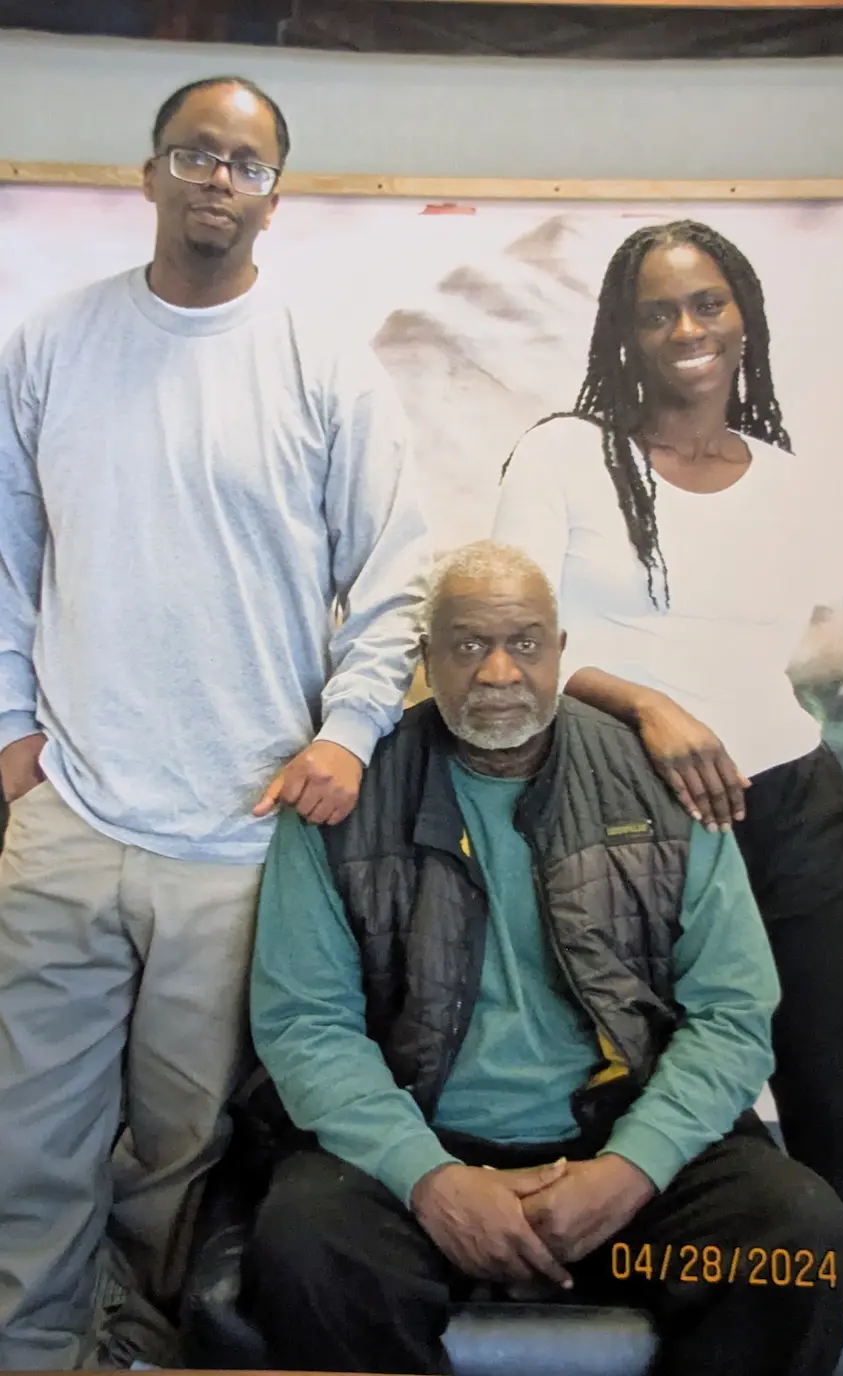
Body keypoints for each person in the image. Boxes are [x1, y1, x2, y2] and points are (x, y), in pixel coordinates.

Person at [0, 75, 428, 1369]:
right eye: (194, 154)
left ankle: (129, 1343)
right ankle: (28, 1345)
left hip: (238, 841)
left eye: (245, 164)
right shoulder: (52, 344)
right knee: (29, 1128)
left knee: (177, 1146)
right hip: (68, 810)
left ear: (273, 196)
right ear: (147, 176)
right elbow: (4, 558)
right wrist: (12, 732)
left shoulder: (321, 370)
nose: (216, 180)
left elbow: (395, 570)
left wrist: (347, 731)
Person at [247, 539, 843, 1376]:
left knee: (796, 1238)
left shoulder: (663, 785)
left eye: (525, 642)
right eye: (468, 645)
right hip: (419, 1164)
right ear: (427, 659)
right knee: (309, 1247)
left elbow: (733, 1011)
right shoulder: (345, 799)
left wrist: (630, 1171)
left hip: (626, 1180)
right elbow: (305, 1024)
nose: (499, 671)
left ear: (561, 652)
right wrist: (430, 1179)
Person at [492, 218, 843, 1312]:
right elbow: (517, 635)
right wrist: (646, 703)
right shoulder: (567, 452)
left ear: (745, 317)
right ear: (623, 331)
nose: (688, 327)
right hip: (629, 827)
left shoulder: (785, 476)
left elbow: (803, 640)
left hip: (794, 813)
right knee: (671, 1110)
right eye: (658, 309)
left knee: (842, 1108)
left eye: (709, 302)